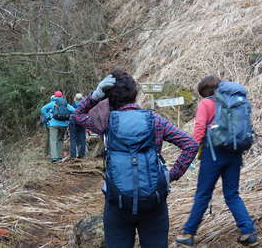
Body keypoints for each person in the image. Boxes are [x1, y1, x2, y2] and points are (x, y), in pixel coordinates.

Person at [73, 69, 199, 248]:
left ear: (108, 97)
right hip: (154, 201)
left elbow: (77, 116)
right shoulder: (154, 120)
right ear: (135, 94)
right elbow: (191, 145)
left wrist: (95, 96)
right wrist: (170, 176)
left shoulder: (106, 122)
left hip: (118, 202)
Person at [175, 76, 258, 247]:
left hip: (213, 153)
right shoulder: (234, 102)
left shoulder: (206, 103)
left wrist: (191, 151)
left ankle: (188, 233)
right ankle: (248, 232)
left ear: (204, 92)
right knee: (232, 194)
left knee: (203, 194)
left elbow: (199, 128)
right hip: (234, 151)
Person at [40, 91, 75, 163]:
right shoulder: (65, 104)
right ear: (62, 96)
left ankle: (54, 157)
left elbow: (42, 109)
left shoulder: (52, 103)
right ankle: (59, 156)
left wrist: (48, 116)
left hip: (53, 124)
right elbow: (74, 110)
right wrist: (69, 117)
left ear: (55, 96)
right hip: (64, 124)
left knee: (53, 140)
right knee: (60, 140)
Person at [69, 93, 87, 158]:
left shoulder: (73, 105)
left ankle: (73, 155)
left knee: (73, 139)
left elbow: (70, 113)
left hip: (73, 122)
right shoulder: (85, 105)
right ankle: (82, 155)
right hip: (82, 122)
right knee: (82, 138)